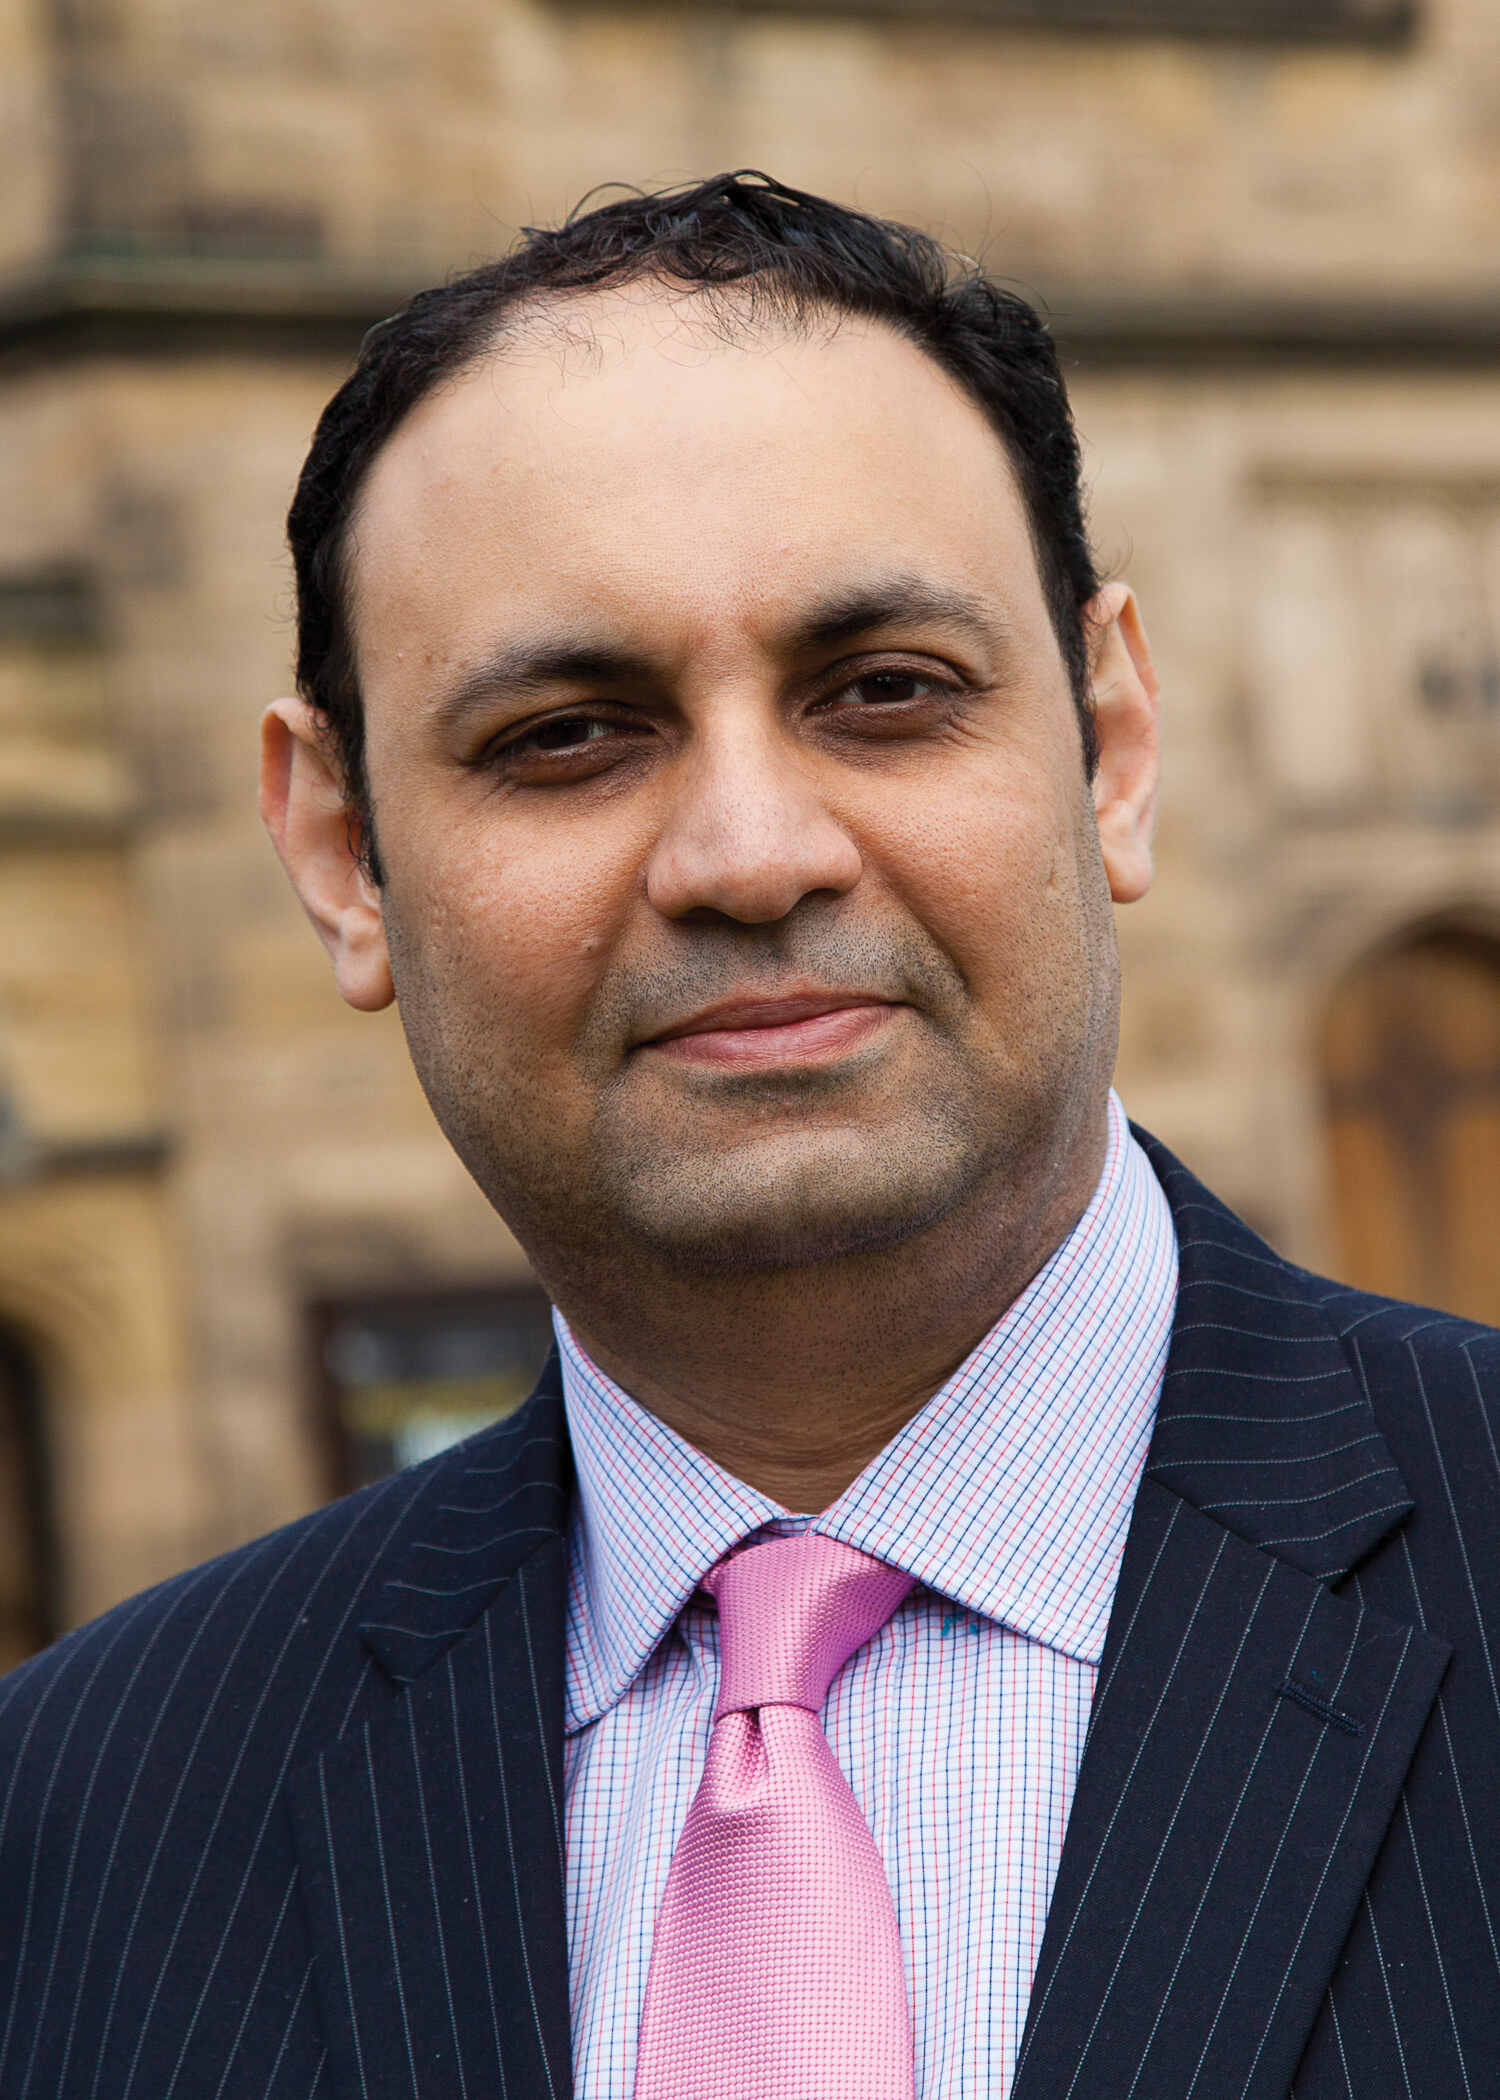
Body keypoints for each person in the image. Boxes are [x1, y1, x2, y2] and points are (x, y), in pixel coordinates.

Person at [1, 172, 1496, 2100]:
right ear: (341, 854)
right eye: (566, 735)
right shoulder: (92, 1817)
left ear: (1113, 746)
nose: (750, 853)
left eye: (884, 694)